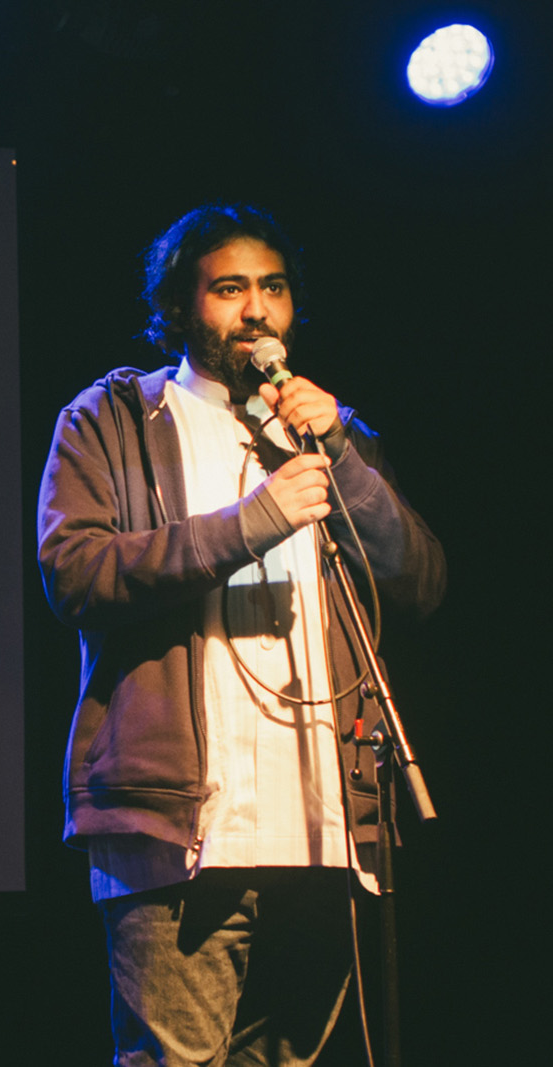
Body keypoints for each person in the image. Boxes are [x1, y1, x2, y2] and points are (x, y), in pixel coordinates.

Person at [36, 204, 445, 1065]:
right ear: (181, 306)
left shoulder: (331, 435)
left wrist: (342, 451)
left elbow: (420, 579)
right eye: (229, 289)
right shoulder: (113, 419)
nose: (256, 310)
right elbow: (75, 572)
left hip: (324, 830)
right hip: (180, 835)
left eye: (274, 288)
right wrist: (249, 524)